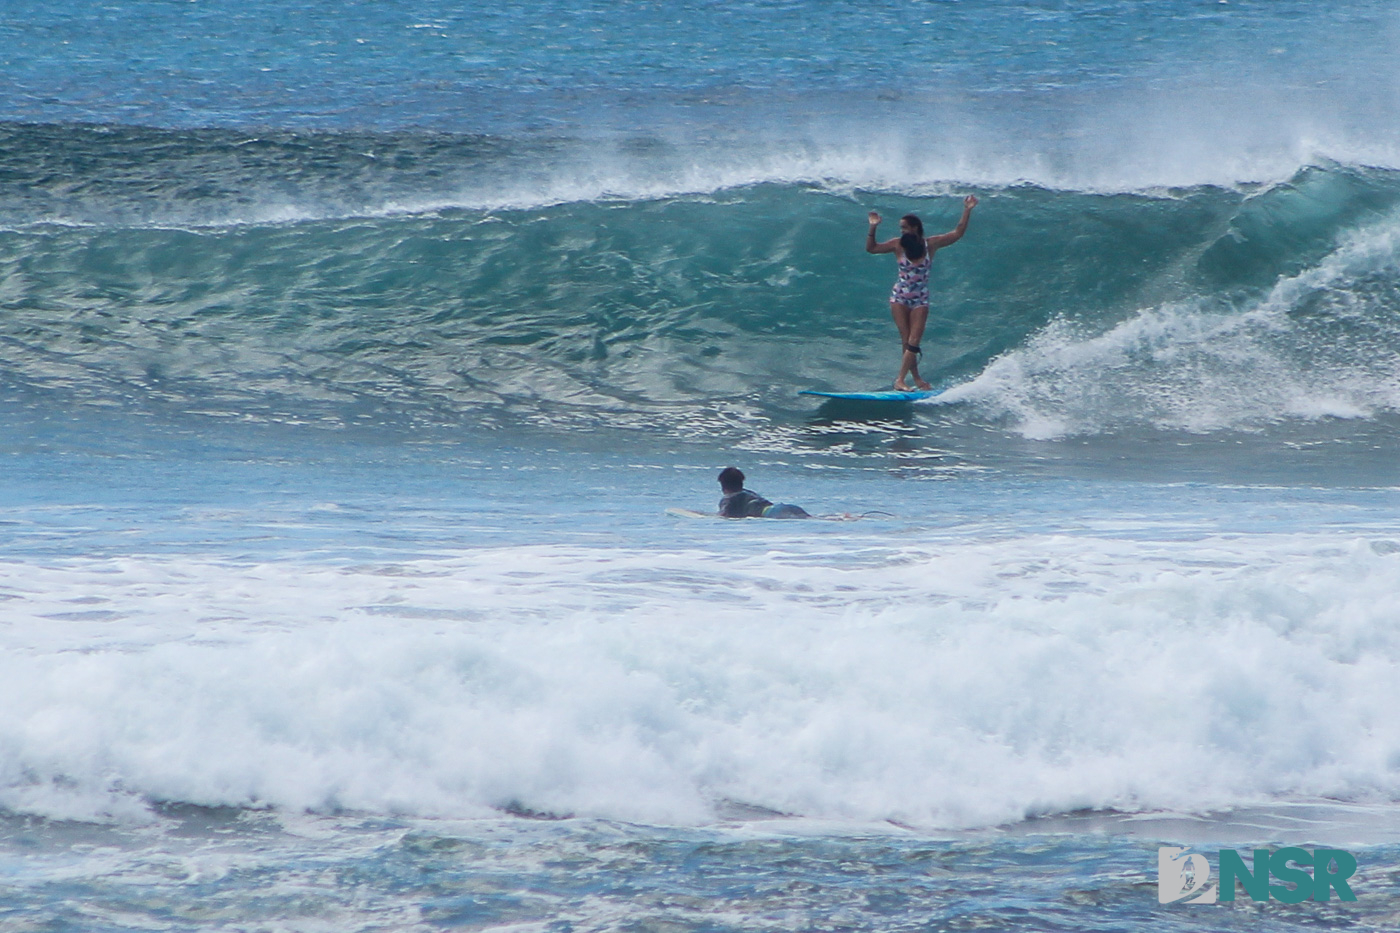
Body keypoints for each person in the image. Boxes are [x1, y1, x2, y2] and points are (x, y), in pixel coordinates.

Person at [866, 196, 977, 391]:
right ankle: (913, 379)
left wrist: (967, 210)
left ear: (915, 228)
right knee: (906, 339)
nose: (902, 231)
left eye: (904, 228)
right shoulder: (897, 244)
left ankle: (901, 380)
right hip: (899, 297)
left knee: (914, 341)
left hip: (920, 299)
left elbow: (957, 233)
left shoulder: (930, 245)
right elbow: (872, 249)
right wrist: (873, 227)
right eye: (901, 228)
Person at [717, 467, 810, 519]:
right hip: (784, 507)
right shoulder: (749, 493)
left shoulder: (728, 498)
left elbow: (723, 515)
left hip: (772, 514)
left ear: (723, 486)